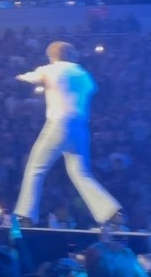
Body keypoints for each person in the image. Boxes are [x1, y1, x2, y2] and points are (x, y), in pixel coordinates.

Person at [13, 41, 122, 227]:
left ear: (52, 56)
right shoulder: (82, 73)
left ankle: (26, 216)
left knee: (35, 169)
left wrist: (19, 77)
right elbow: (92, 90)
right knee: (81, 173)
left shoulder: (51, 69)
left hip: (58, 125)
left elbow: (31, 78)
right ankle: (110, 213)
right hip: (80, 128)